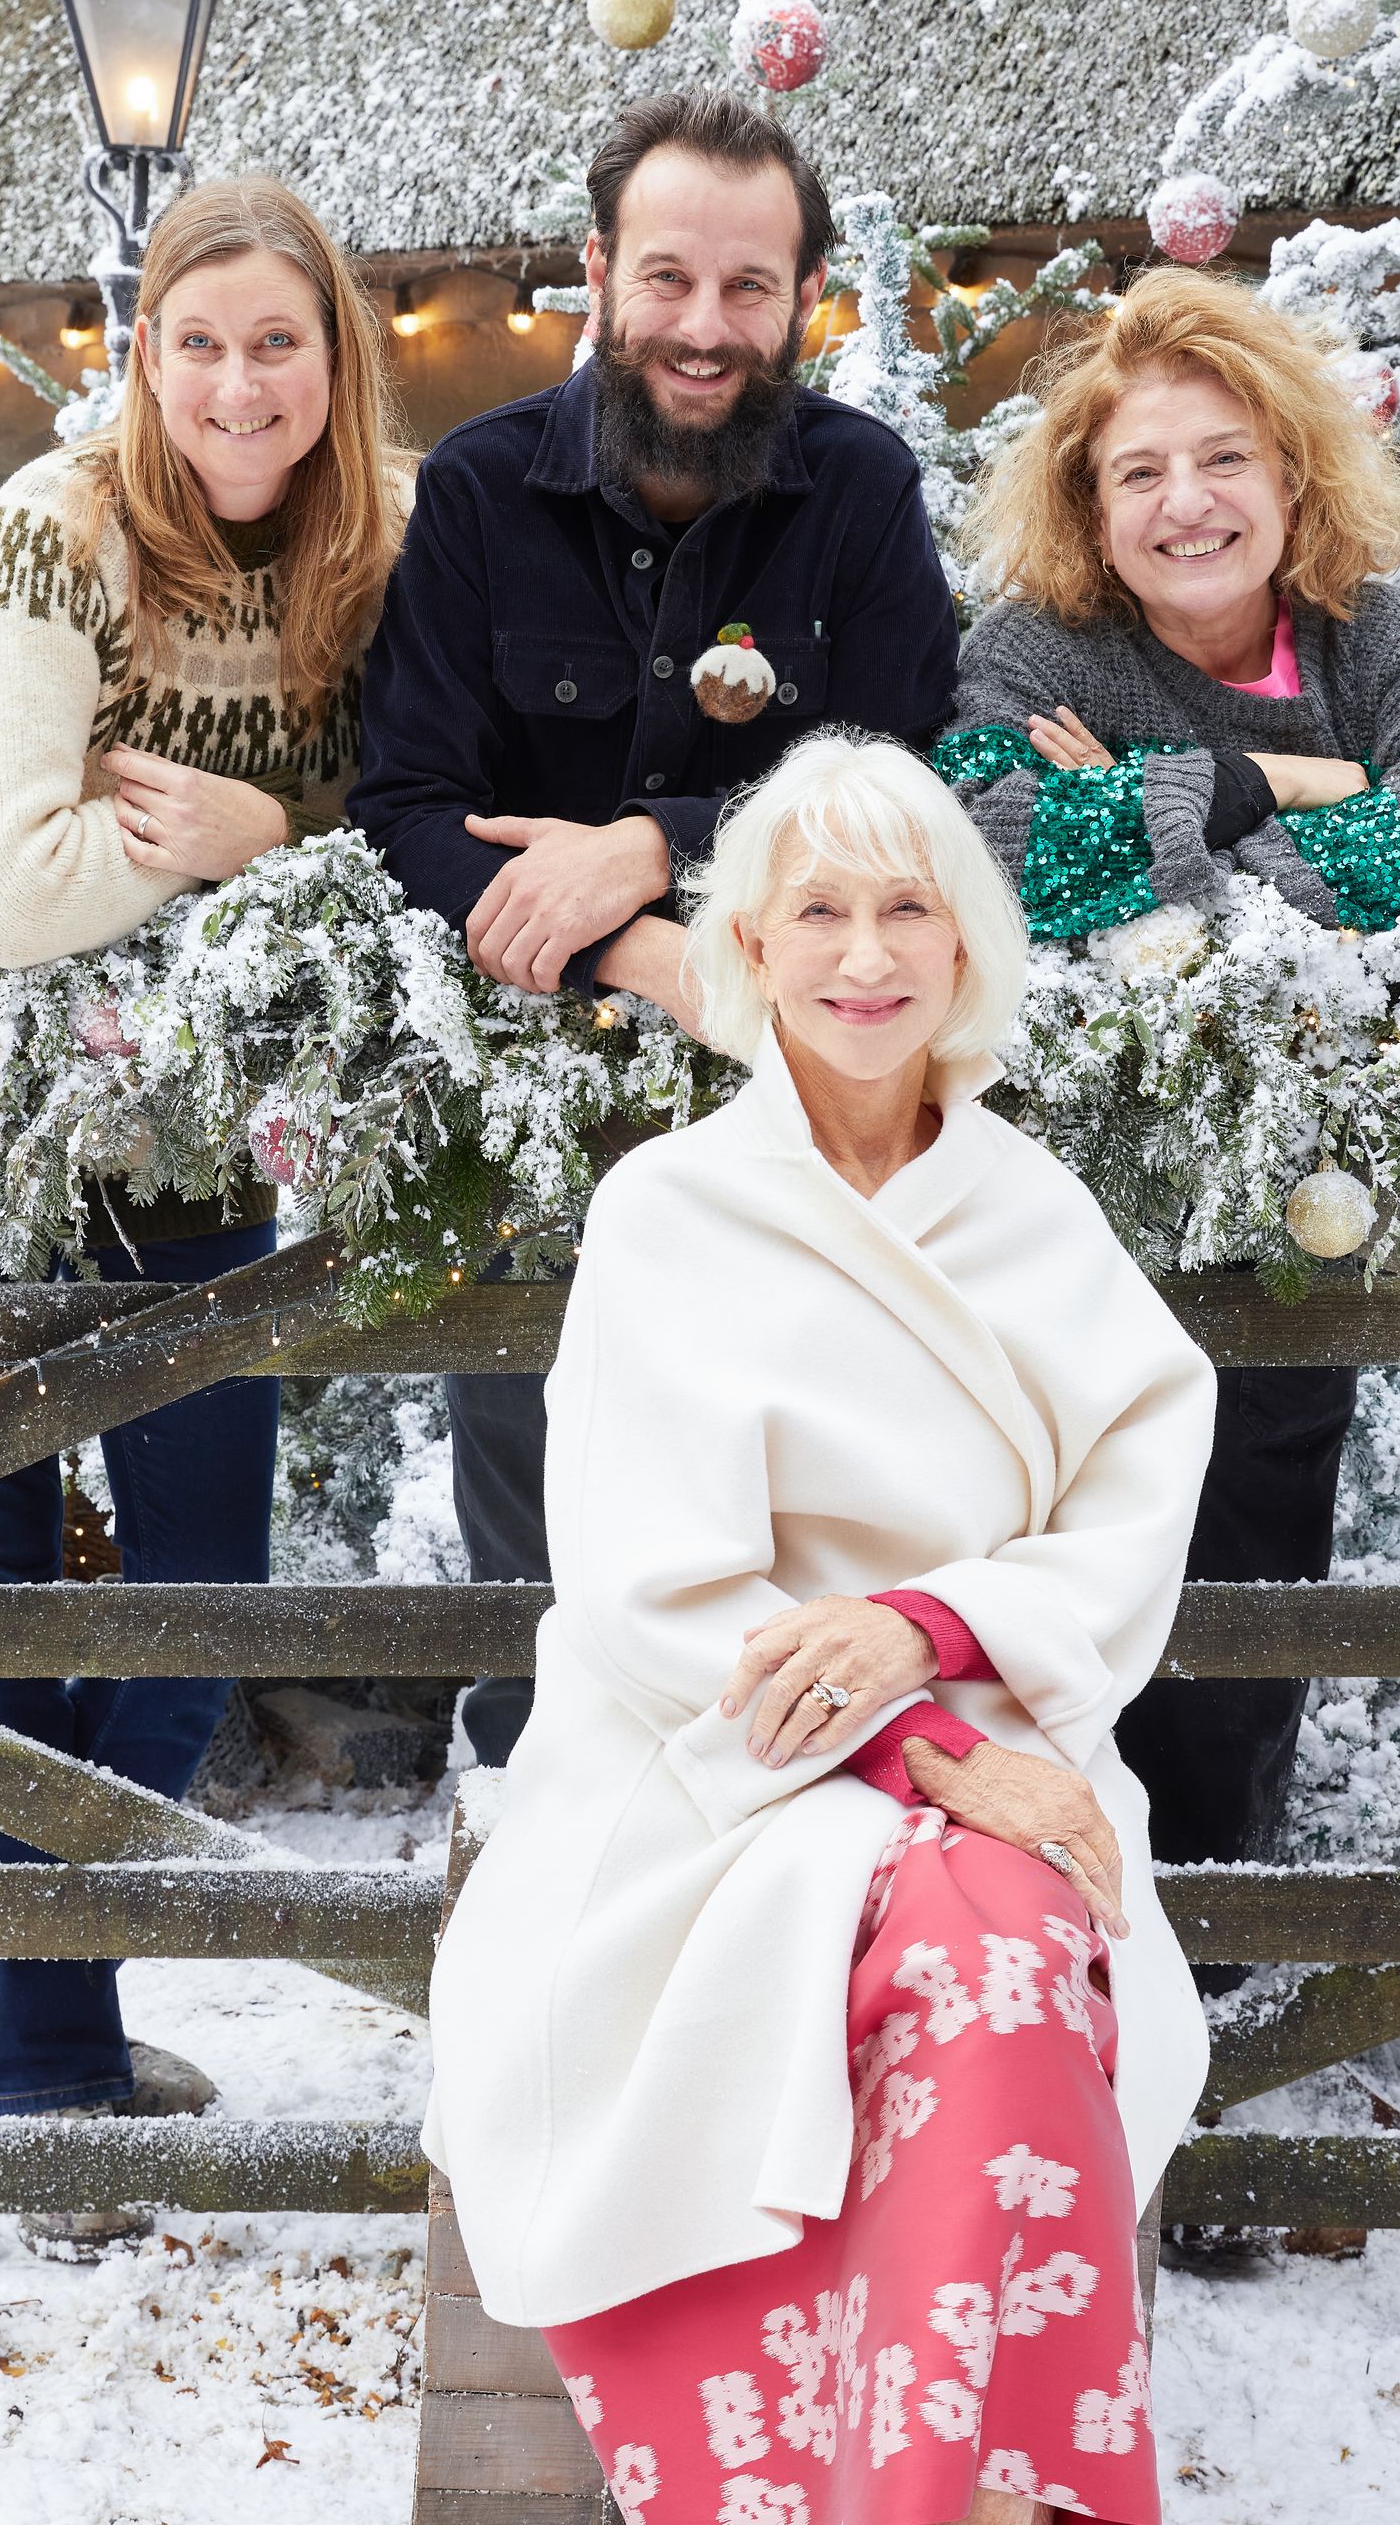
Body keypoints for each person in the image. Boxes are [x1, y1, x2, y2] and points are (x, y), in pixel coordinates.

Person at [427, 733, 1216, 2525]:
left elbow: (1131, 1493)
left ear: (964, 948)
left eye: (909, 912)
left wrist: (938, 1631)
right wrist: (907, 1744)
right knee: (942, 1944)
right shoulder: (671, 1212)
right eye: (822, 914)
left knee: (1013, 1957)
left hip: (991, 1702)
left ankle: (952, 2489)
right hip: (713, 1749)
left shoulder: (1035, 1210)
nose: (867, 957)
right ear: (754, 948)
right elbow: (644, 1581)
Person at [0, 174, 409, 2256]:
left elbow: (411, 822)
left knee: (197, 1589)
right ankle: (47, 2076)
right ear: (147, 353)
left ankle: (31, 2010)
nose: (234, 382)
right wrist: (219, 863)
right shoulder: (59, 526)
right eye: (196, 341)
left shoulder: (378, 548)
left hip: (200, 1157)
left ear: (330, 355)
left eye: (275, 340)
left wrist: (270, 827)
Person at [934, 268, 1400, 1948]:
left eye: (1222, 460)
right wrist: (1290, 778)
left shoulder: (1379, 630)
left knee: (1242, 1622)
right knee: (1048, 1613)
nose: (1185, 503)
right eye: (1139, 472)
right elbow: (990, 852)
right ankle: (1054, 1993)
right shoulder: (1034, 646)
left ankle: (1214, 1989)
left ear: (1290, 474)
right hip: (1056, 1226)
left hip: (1300, 1218)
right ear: (1089, 503)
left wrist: (1178, 826)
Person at [350, 89, 960, 1765]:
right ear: (601, 273)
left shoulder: (860, 487)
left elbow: (913, 785)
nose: (705, 329)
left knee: (796, 1501)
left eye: (749, 288)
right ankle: (539, 1824)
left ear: (804, 298)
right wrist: (632, 946)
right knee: (539, 1499)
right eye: (671, 279)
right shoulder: (479, 495)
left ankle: (781, 1829)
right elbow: (404, 802)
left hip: (802, 1107)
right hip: (537, 1119)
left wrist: (654, 845)